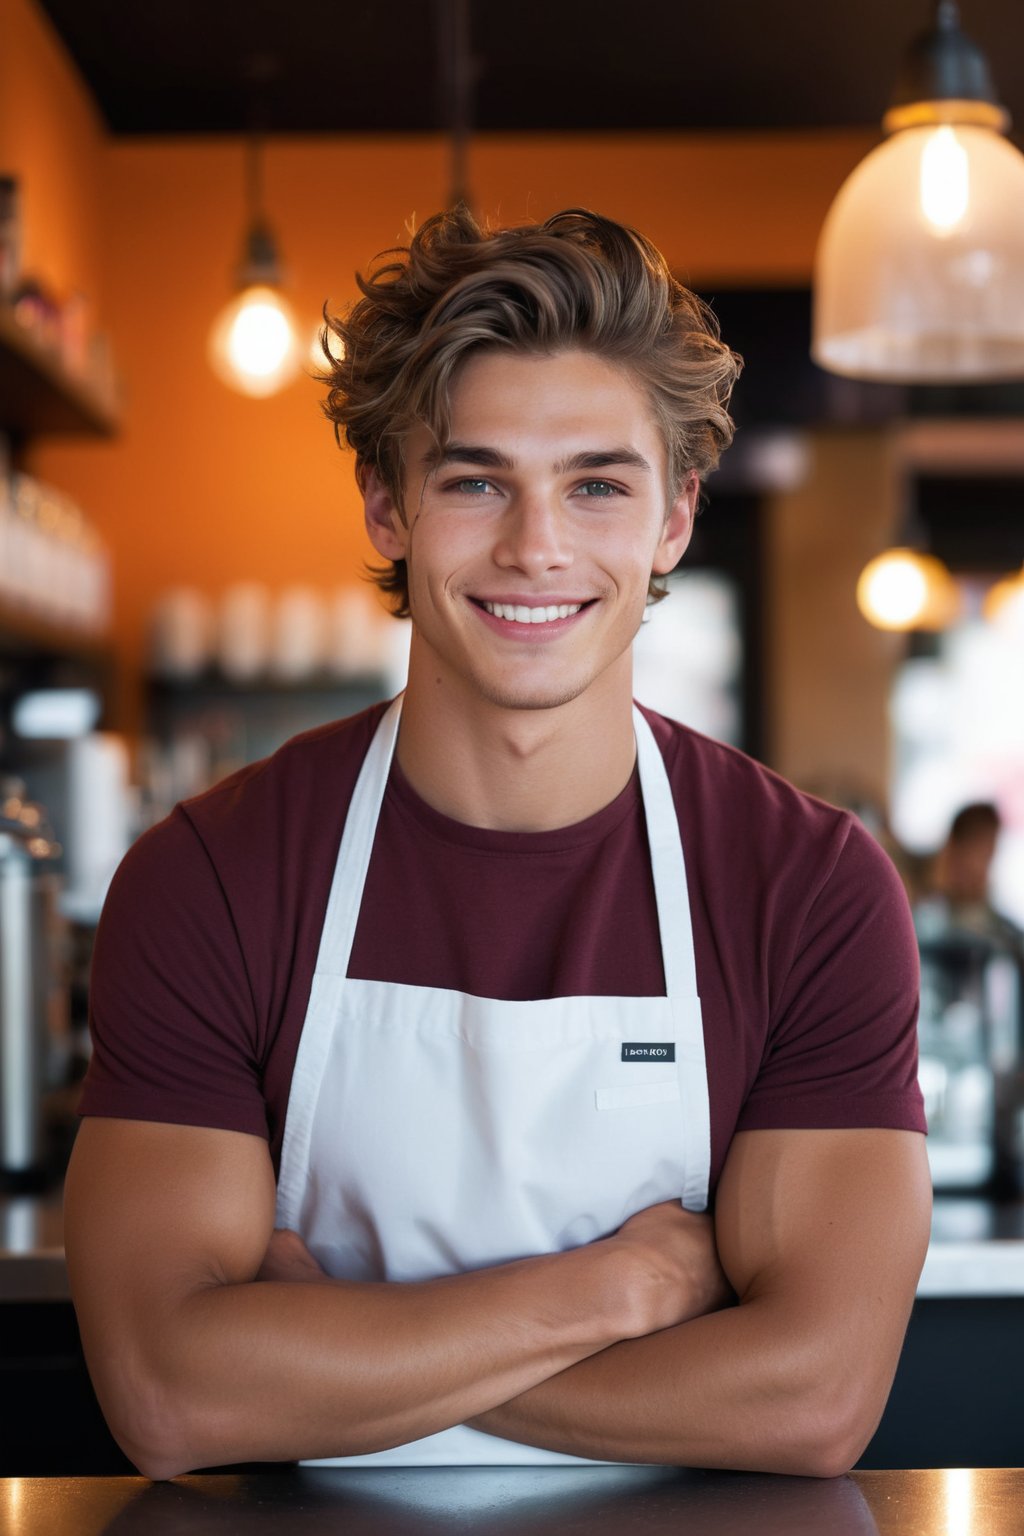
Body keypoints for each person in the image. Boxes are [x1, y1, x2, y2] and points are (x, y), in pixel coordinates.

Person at [64, 207, 930, 1481]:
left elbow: (808, 1400)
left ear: (675, 520)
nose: (536, 545)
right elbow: (177, 1395)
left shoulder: (806, 889)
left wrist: (326, 1353)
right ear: (386, 508)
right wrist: (620, 1288)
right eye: (475, 480)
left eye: (596, 484)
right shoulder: (212, 878)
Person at [917, 801, 1024, 958]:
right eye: (980, 853)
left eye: (988, 855)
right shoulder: (921, 911)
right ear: (953, 847)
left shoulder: (1000, 929)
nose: (982, 869)